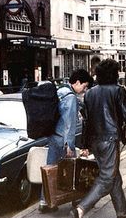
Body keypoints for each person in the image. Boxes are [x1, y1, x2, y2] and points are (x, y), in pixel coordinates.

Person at [71, 59, 126, 218]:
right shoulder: (118, 90)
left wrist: (84, 144)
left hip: (95, 142)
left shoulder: (89, 93)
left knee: (114, 177)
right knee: (107, 178)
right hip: (110, 140)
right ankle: (81, 208)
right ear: (114, 74)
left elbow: (86, 122)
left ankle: (121, 213)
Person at [38, 69, 93, 213]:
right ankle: (75, 199)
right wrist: (69, 145)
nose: (84, 90)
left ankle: (44, 201)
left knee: (49, 168)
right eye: (84, 86)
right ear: (77, 82)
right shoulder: (71, 98)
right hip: (64, 139)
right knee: (72, 169)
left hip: (54, 136)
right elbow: (69, 123)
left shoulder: (61, 90)